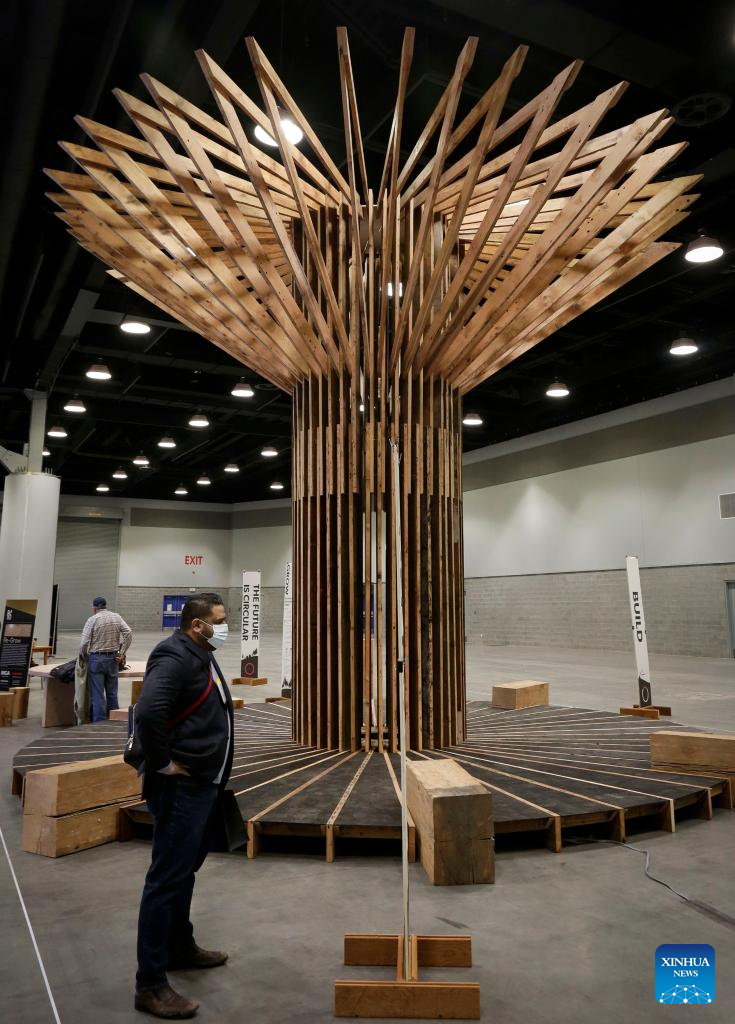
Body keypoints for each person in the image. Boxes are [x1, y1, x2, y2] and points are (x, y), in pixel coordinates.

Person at [133, 592, 234, 1020]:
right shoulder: (174, 656)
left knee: (184, 873)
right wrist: (162, 763)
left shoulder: (201, 653)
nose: (224, 627)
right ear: (198, 624)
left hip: (203, 786)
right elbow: (148, 713)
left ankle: (179, 946)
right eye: (219, 621)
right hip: (180, 790)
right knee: (166, 880)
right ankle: (150, 984)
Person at [79, 596, 133, 722]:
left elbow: (84, 643)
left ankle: (99, 723)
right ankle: (115, 721)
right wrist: (122, 653)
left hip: (96, 659)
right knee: (112, 693)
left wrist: (84, 656)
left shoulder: (92, 620)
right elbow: (128, 632)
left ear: (94, 608)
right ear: (105, 606)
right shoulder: (116, 617)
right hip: (113, 659)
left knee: (98, 694)